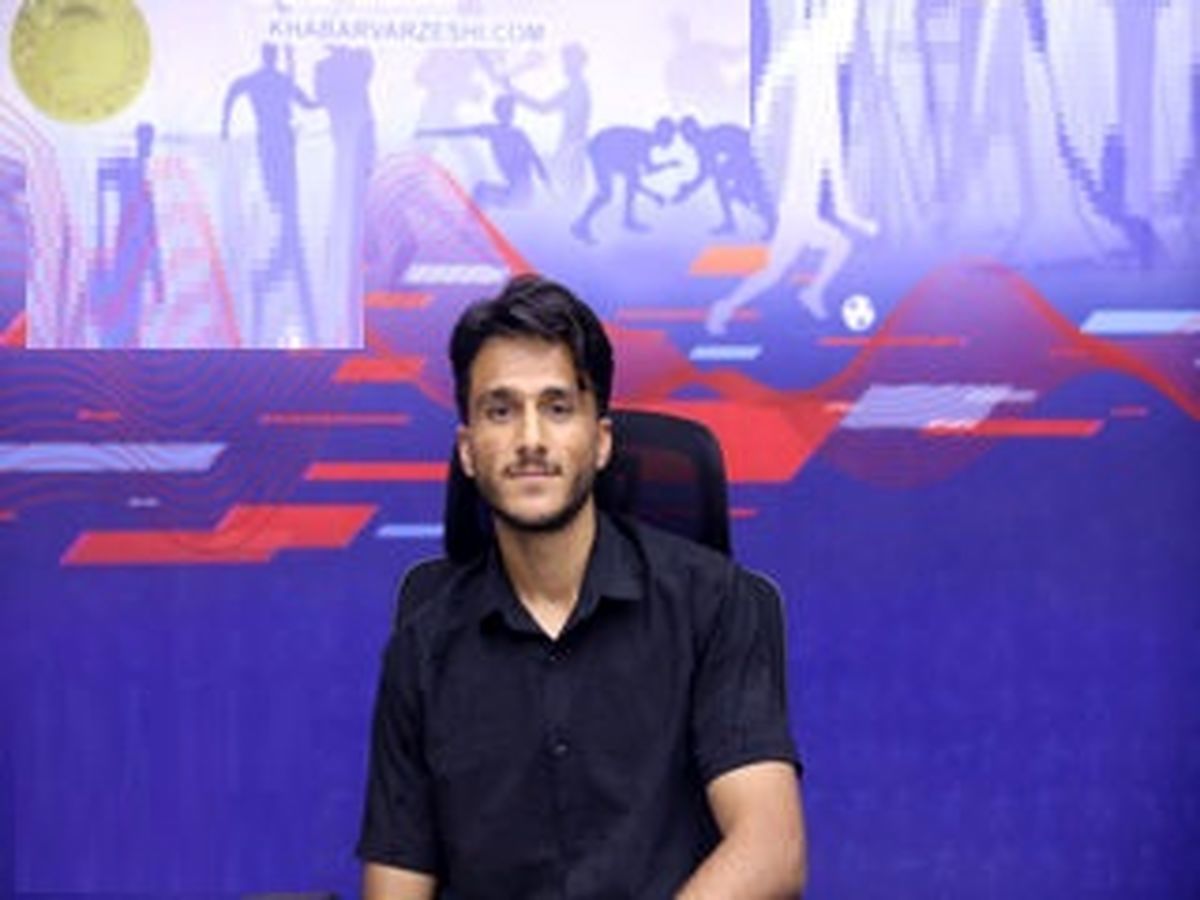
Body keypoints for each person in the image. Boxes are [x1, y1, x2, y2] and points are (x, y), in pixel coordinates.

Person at [357, 274, 807, 898]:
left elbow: (771, 848)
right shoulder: (422, 648)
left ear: (600, 442)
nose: (530, 439)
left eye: (558, 408)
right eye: (500, 411)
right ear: (468, 450)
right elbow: (396, 888)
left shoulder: (710, 604)